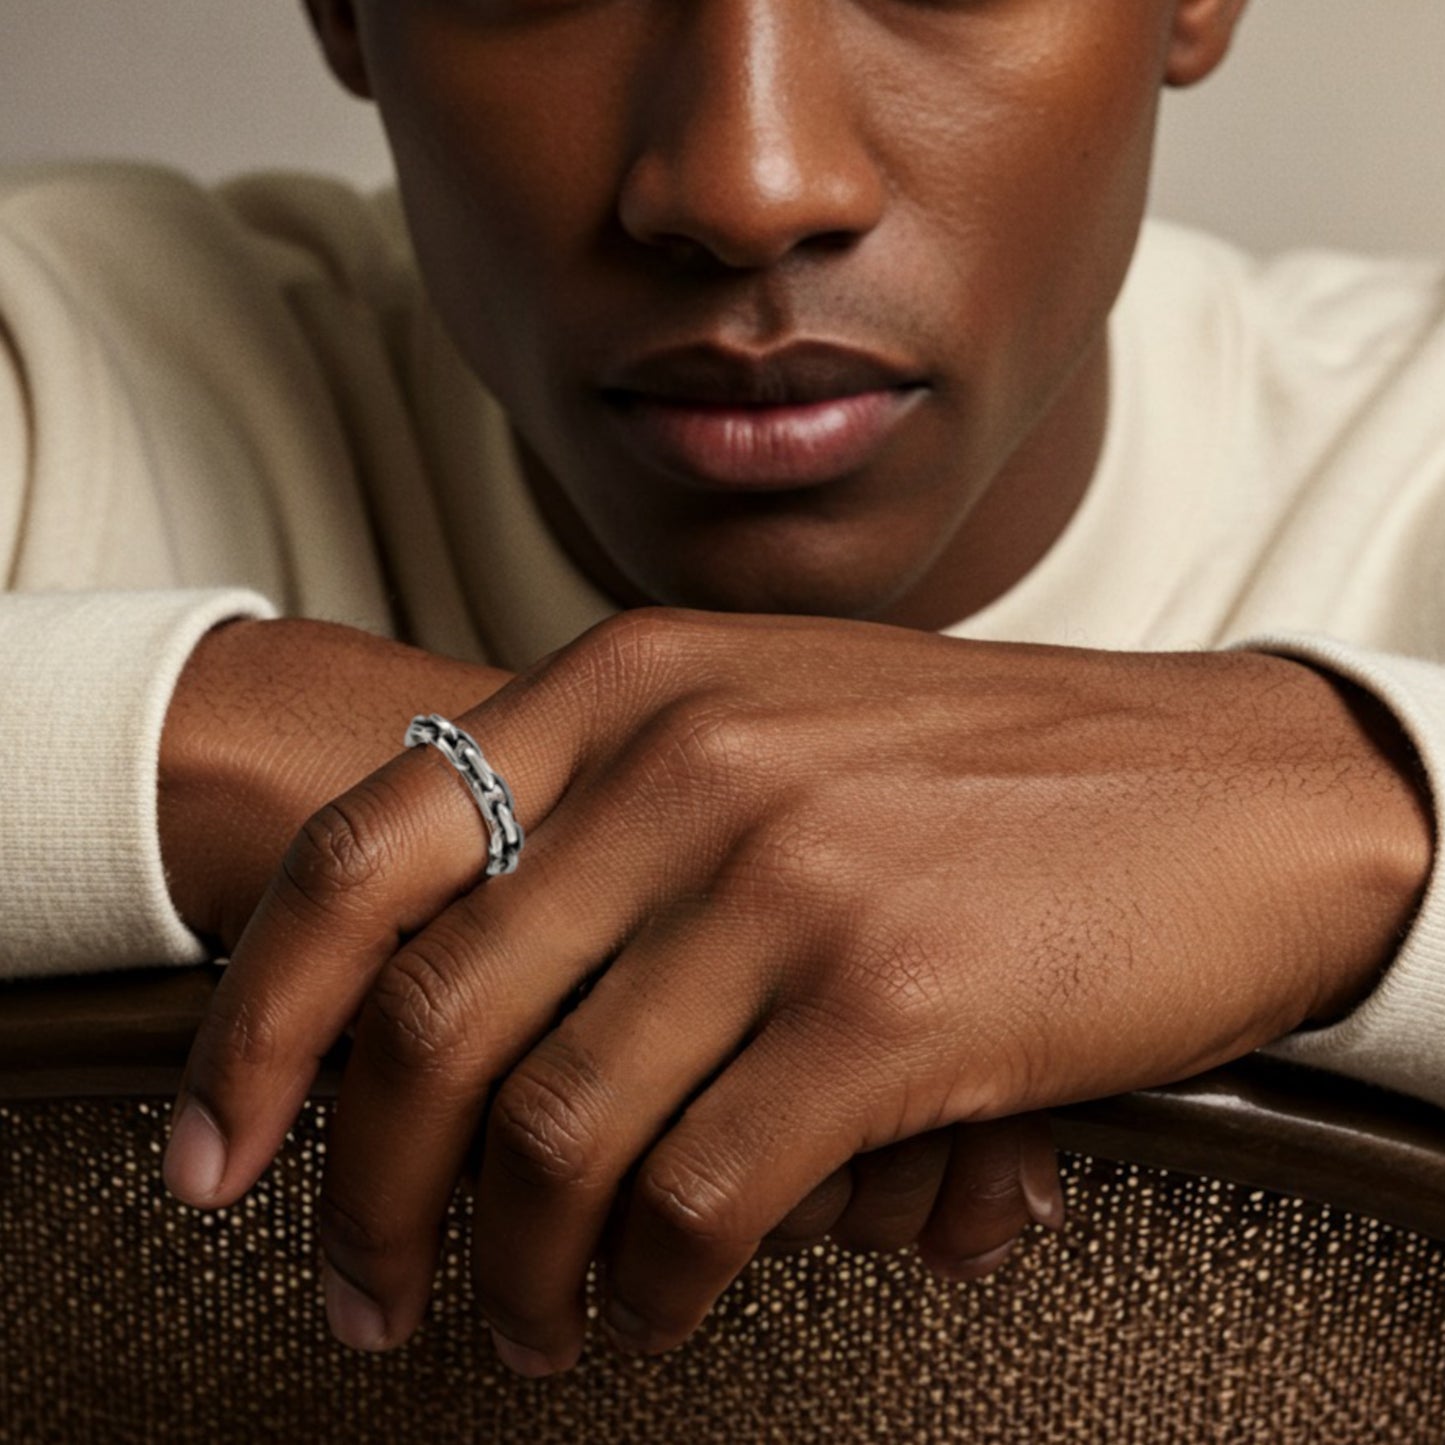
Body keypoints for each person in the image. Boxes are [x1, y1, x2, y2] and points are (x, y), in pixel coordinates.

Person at [0, 0, 1440, 1383]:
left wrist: (1369, 809)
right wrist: (222, 736)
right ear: (341, 10)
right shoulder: (78, 378)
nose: (750, 182)